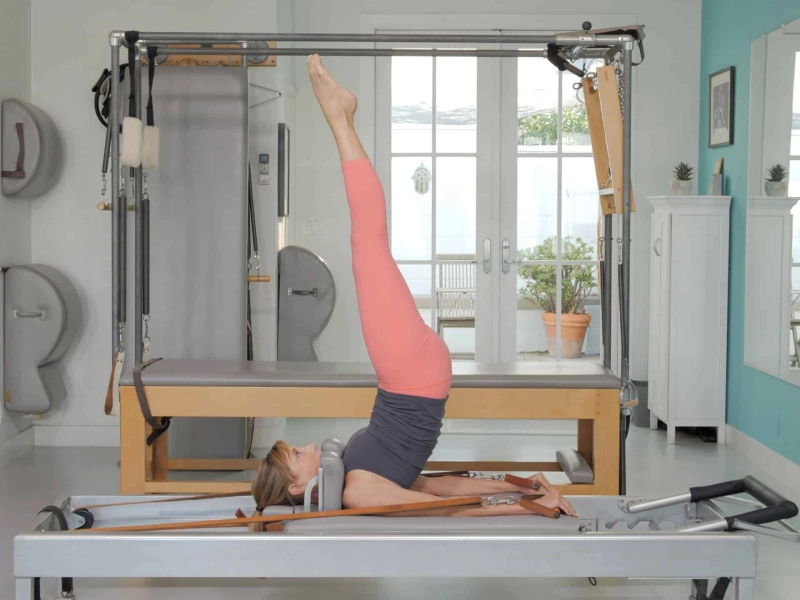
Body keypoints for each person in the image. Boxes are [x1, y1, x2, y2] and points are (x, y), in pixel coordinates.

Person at [250, 55, 577, 523]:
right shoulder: (356, 491)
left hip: (408, 378)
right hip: (410, 377)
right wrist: (524, 506)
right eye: (295, 457)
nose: (305, 446)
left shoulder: (348, 476)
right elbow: (443, 507)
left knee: (367, 245)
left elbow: (435, 483)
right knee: (367, 242)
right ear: (299, 487)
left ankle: (340, 117)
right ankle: (339, 117)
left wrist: (522, 484)